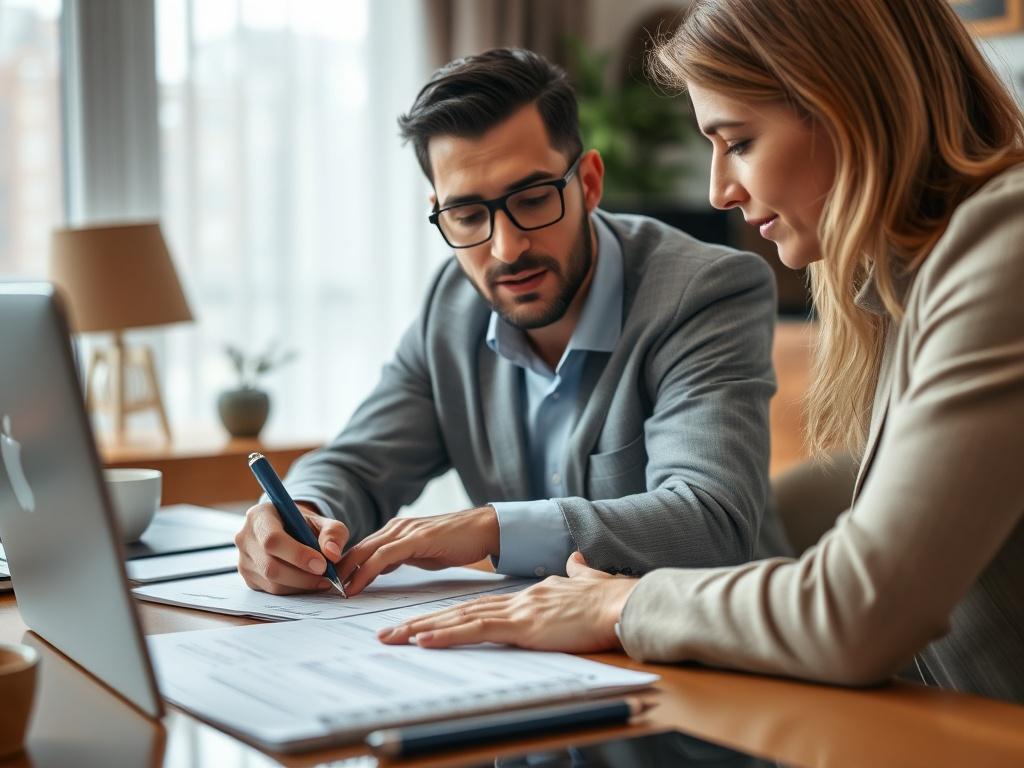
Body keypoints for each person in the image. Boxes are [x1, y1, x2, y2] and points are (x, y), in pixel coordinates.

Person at [379, 0, 1024, 704]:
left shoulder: (1005, 243)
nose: (719, 191)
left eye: (738, 141)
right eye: (468, 213)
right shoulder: (912, 279)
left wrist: (617, 603)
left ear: (850, 107)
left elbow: (858, 610)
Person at [234, 48, 779, 597]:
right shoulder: (452, 307)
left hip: (709, 634)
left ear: (590, 183)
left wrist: (491, 528)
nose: (506, 248)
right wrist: (301, 515)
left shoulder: (704, 292)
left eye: (534, 199)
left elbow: (712, 522)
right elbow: (358, 464)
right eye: (468, 215)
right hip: (528, 639)